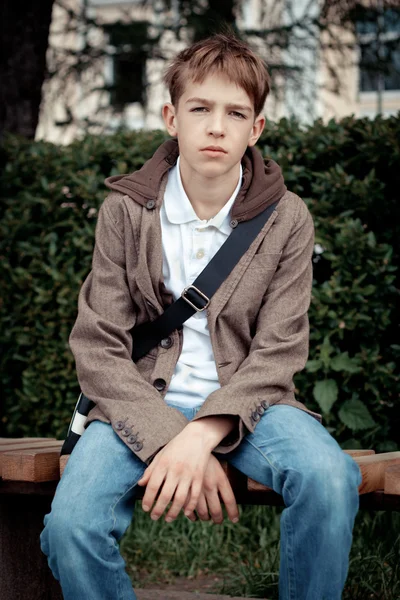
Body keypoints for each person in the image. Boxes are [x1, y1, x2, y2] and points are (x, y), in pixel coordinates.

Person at [40, 32, 362, 600]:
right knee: (70, 527)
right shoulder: (125, 212)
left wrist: (203, 434)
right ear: (172, 117)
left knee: (330, 478)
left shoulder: (287, 219)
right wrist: (170, 435)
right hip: (136, 405)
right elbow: (98, 346)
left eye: (236, 112)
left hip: (253, 408)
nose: (217, 126)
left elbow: (280, 351)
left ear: (255, 129)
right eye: (200, 109)